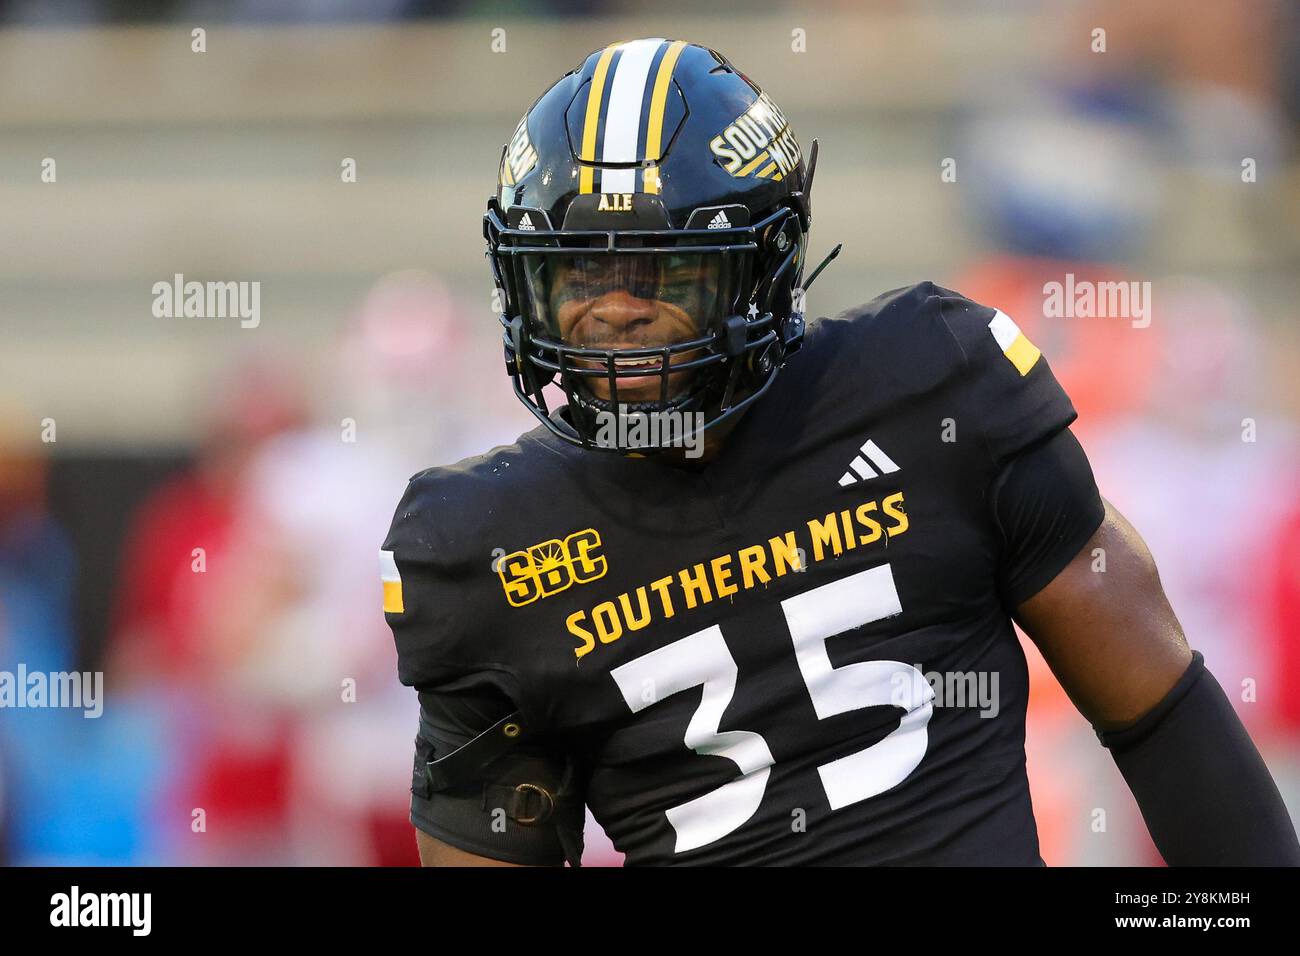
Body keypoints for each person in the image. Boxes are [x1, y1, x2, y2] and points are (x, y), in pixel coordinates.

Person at [381, 39, 1300, 866]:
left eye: (665, 269)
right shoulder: (483, 543)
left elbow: (1157, 704)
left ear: (764, 267)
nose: (614, 308)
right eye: (579, 269)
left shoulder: (937, 386)